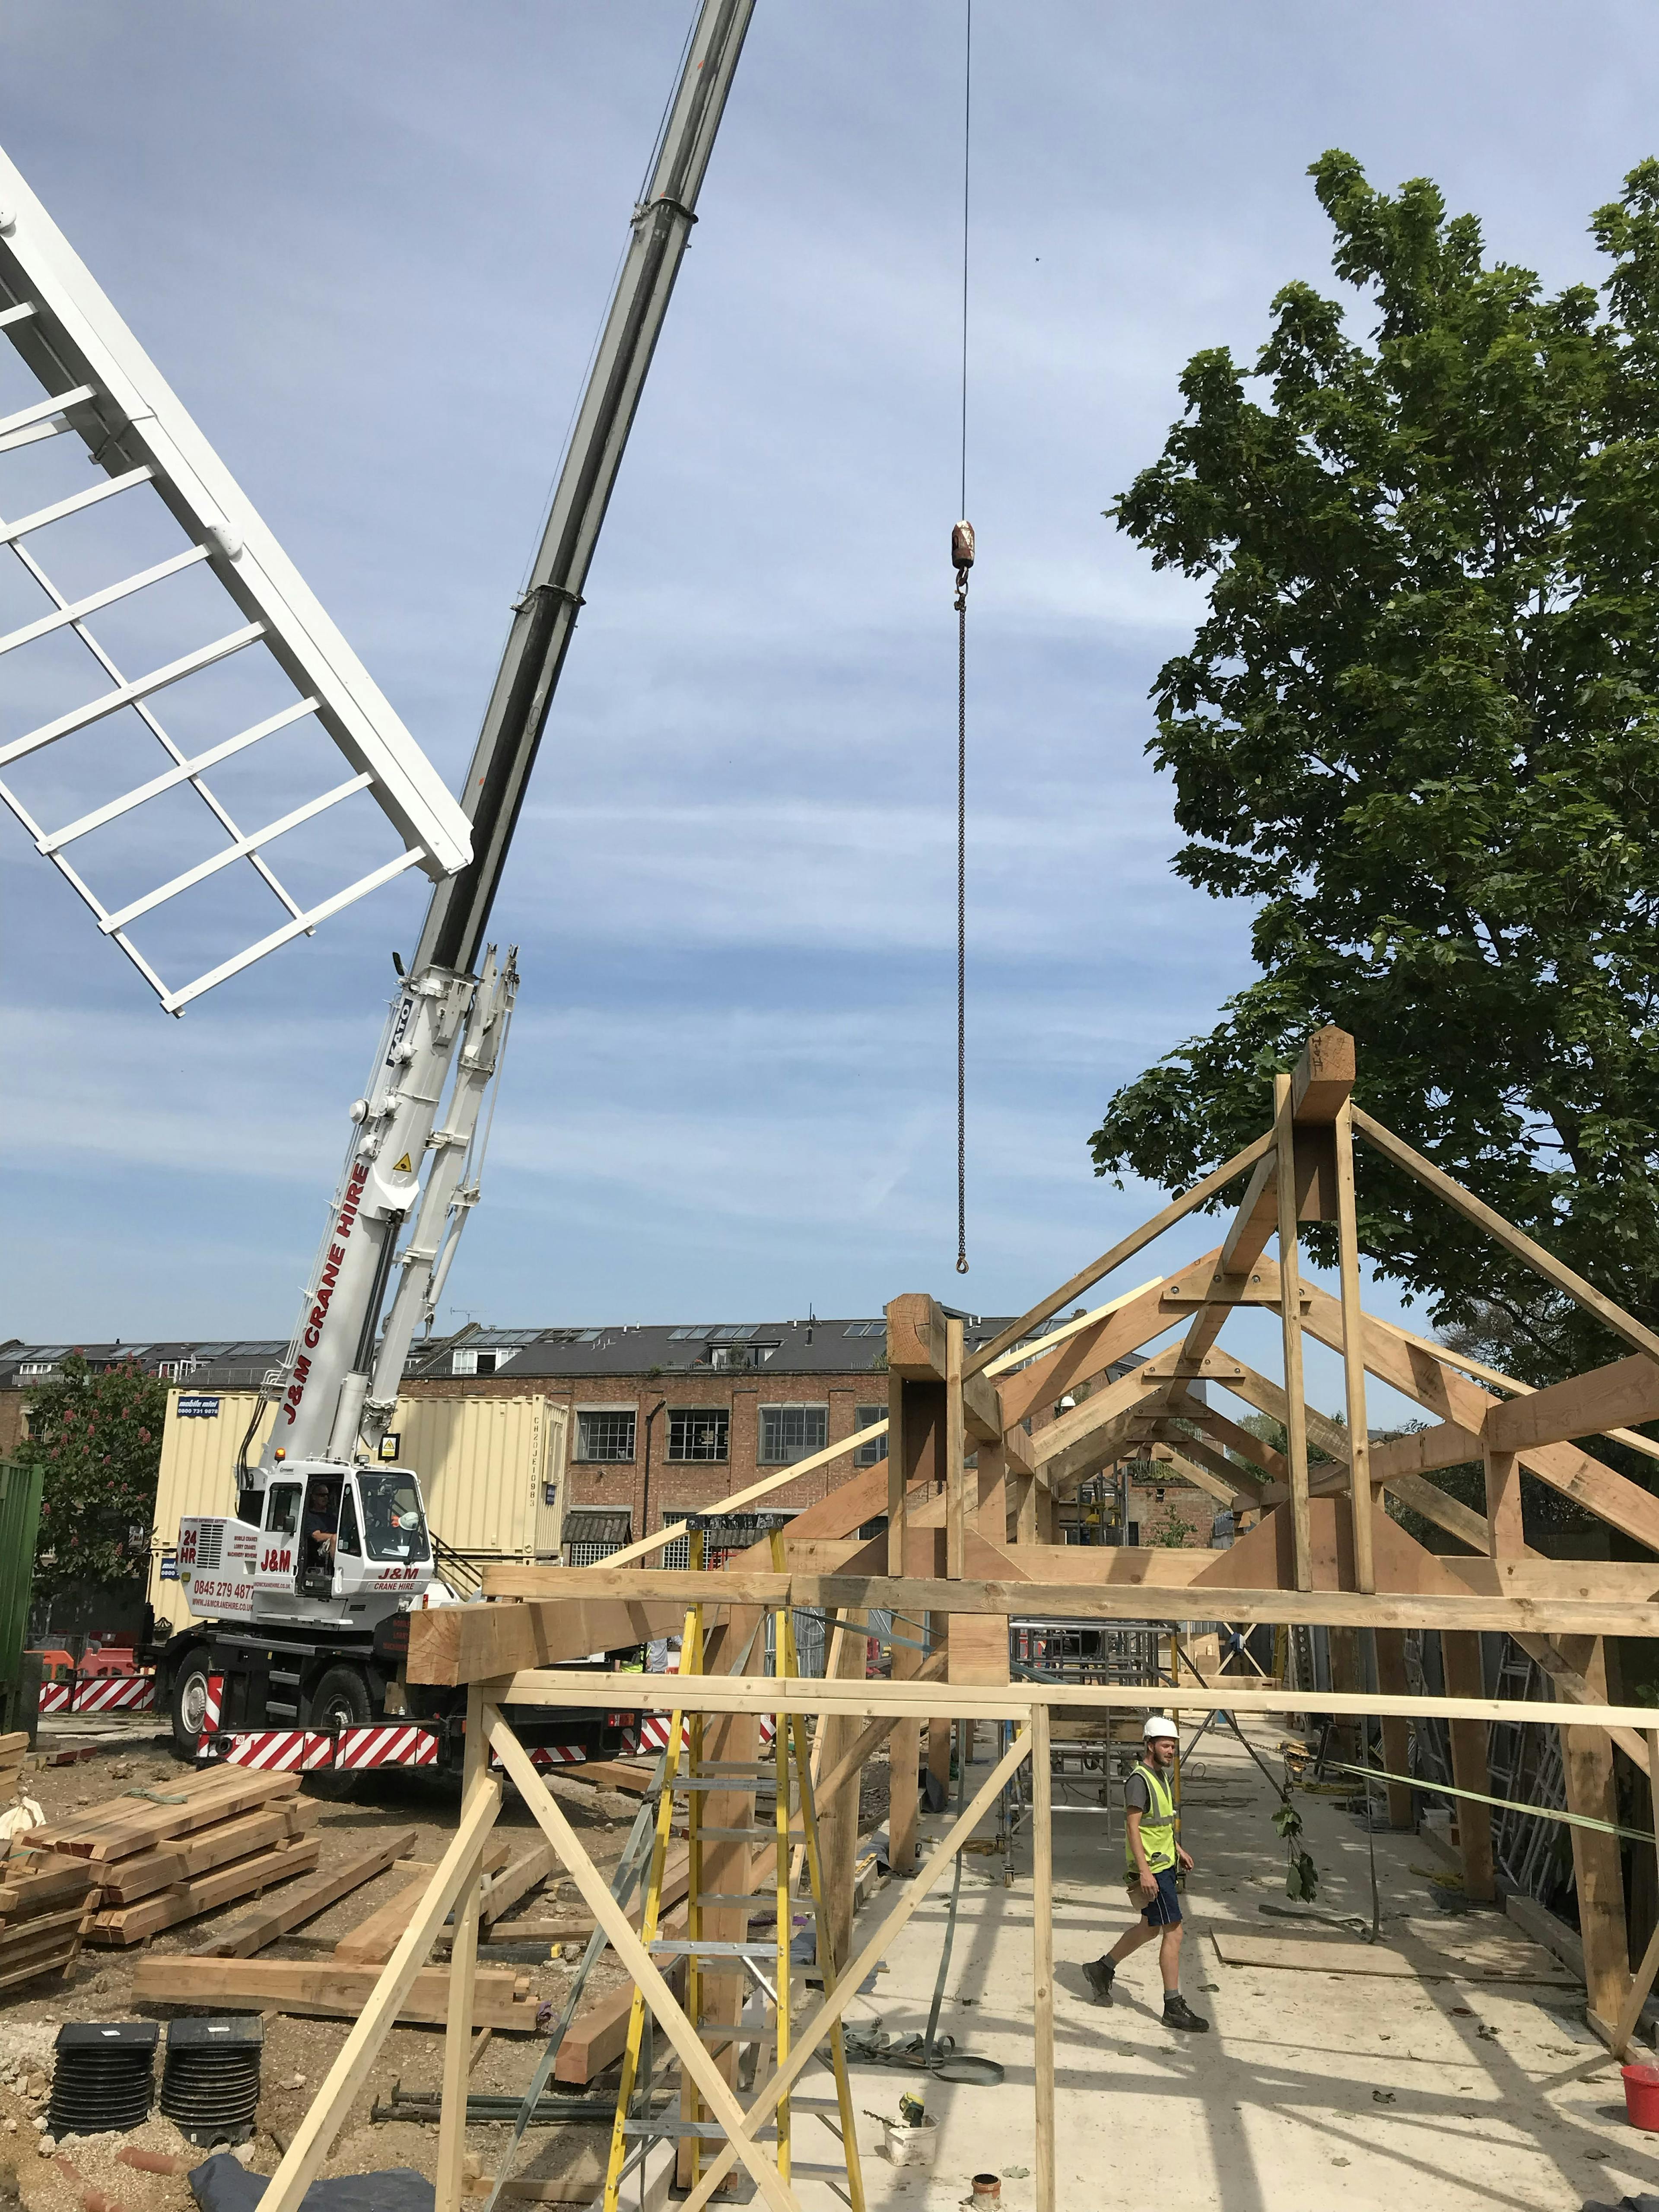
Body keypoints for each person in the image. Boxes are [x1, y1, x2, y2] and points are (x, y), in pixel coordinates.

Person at [1083, 1716, 1209, 2032]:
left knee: (1150, 1928)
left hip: (1164, 1862)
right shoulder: (1139, 1780)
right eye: (1167, 1745)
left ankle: (1102, 1968)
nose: (1172, 1751)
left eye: (1174, 1746)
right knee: (1174, 1932)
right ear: (1150, 1745)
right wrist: (1144, 1873)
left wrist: (1177, 1848)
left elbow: (1161, 1822)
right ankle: (1173, 2005)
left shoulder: (1161, 1777)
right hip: (1152, 1869)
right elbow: (1133, 1827)